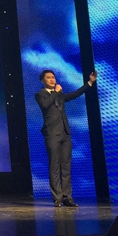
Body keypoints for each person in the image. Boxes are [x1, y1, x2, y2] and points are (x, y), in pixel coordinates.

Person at [35, 68, 97, 207]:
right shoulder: (40, 94)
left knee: (66, 166)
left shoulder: (60, 95)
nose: (52, 79)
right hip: (52, 134)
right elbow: (46, 105)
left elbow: (75, 94)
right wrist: (56, 92)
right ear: (42, 80)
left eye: (53, 77)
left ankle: (67, 197)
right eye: (48, 77)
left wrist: (90, 83)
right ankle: (57, 198)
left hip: (65, 133)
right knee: (54, 166)